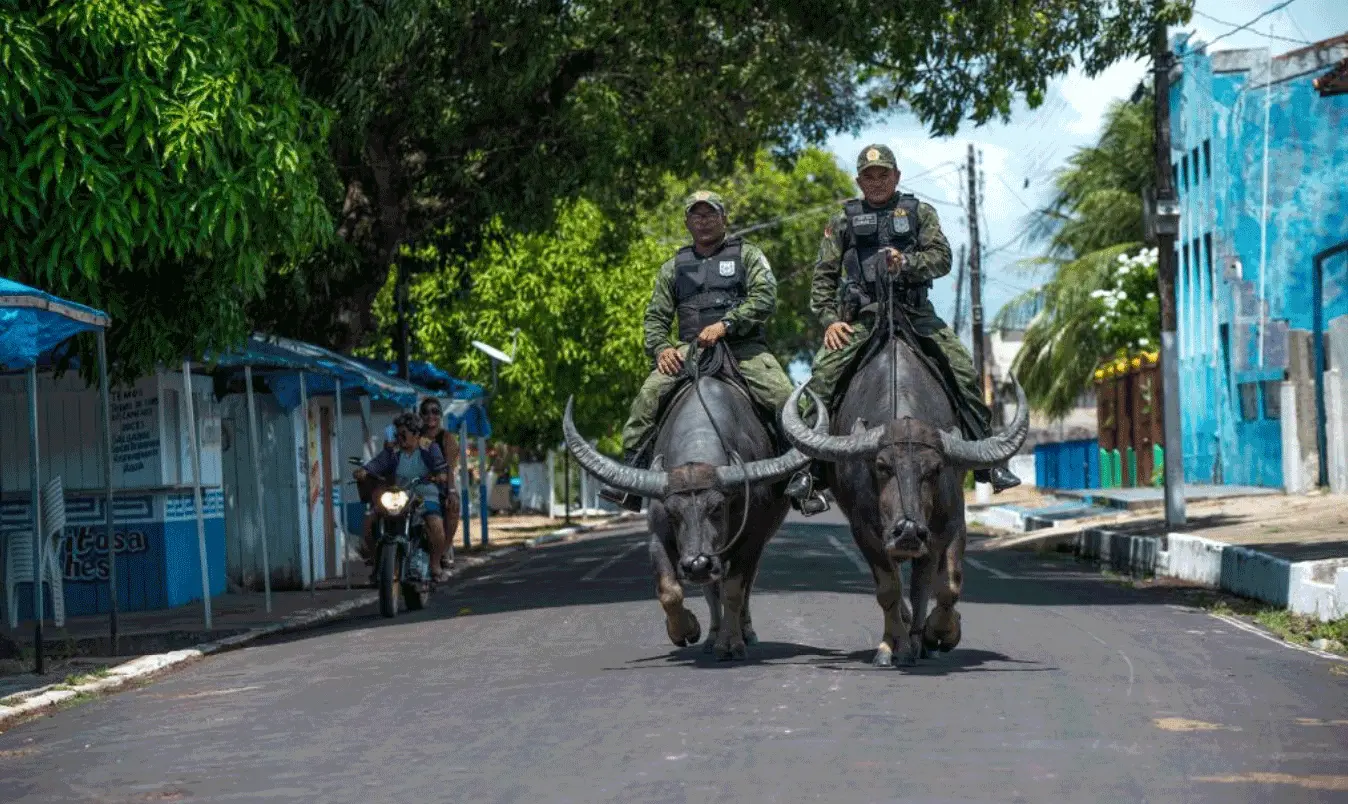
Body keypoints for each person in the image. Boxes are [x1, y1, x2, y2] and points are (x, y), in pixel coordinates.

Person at [788, 144, 1021, 507]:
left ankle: (989, 462)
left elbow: (942, 258)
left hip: (916, 314)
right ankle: (808, 471)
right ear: (859, 180)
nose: (877, 181)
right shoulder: (842, 221)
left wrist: (906, 262)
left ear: (896, 176)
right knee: (822, 379)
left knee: (963, 372)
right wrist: (831, 320)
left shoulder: (919, 212)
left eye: (884, 174)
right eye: (869, 176)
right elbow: (823, 277)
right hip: (863, 318)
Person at [600, 190, 824, 513]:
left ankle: (804, 478)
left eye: (710, 214)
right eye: (696, 215)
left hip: (743, 349)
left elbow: (765, 297)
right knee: (647, 399)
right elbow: (655, 316)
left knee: (782, 396)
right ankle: (630, 481)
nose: (703, 221)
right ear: (687, 221)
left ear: (724, 219)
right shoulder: (673, 266)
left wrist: (727, 325)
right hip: (689, 351)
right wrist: (662, 348)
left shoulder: (747, 255)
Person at [354, 412, 453, 582]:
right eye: (397, 433)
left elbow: (442, 469)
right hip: (398, 494)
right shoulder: (392, 452)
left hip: (425, 494)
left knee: (435, 524)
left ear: (416, 434)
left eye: (403, 434)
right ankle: (378, 565)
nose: (399, 438)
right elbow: (377, 464)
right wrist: (363, 471)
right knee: (370, 521)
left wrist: (439, 476)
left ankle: (435, 564)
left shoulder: (429, 448)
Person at [418, 397, 461, 571]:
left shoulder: (447, 438)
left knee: (453, 506)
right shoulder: (414, 435)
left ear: (440, 415)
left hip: (439, 485)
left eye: (435, 411)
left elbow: (449, 467)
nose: (430, 415)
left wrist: (450, 490)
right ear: (420, 415)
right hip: (415, 484)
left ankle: (444, 548)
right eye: (426, 412)